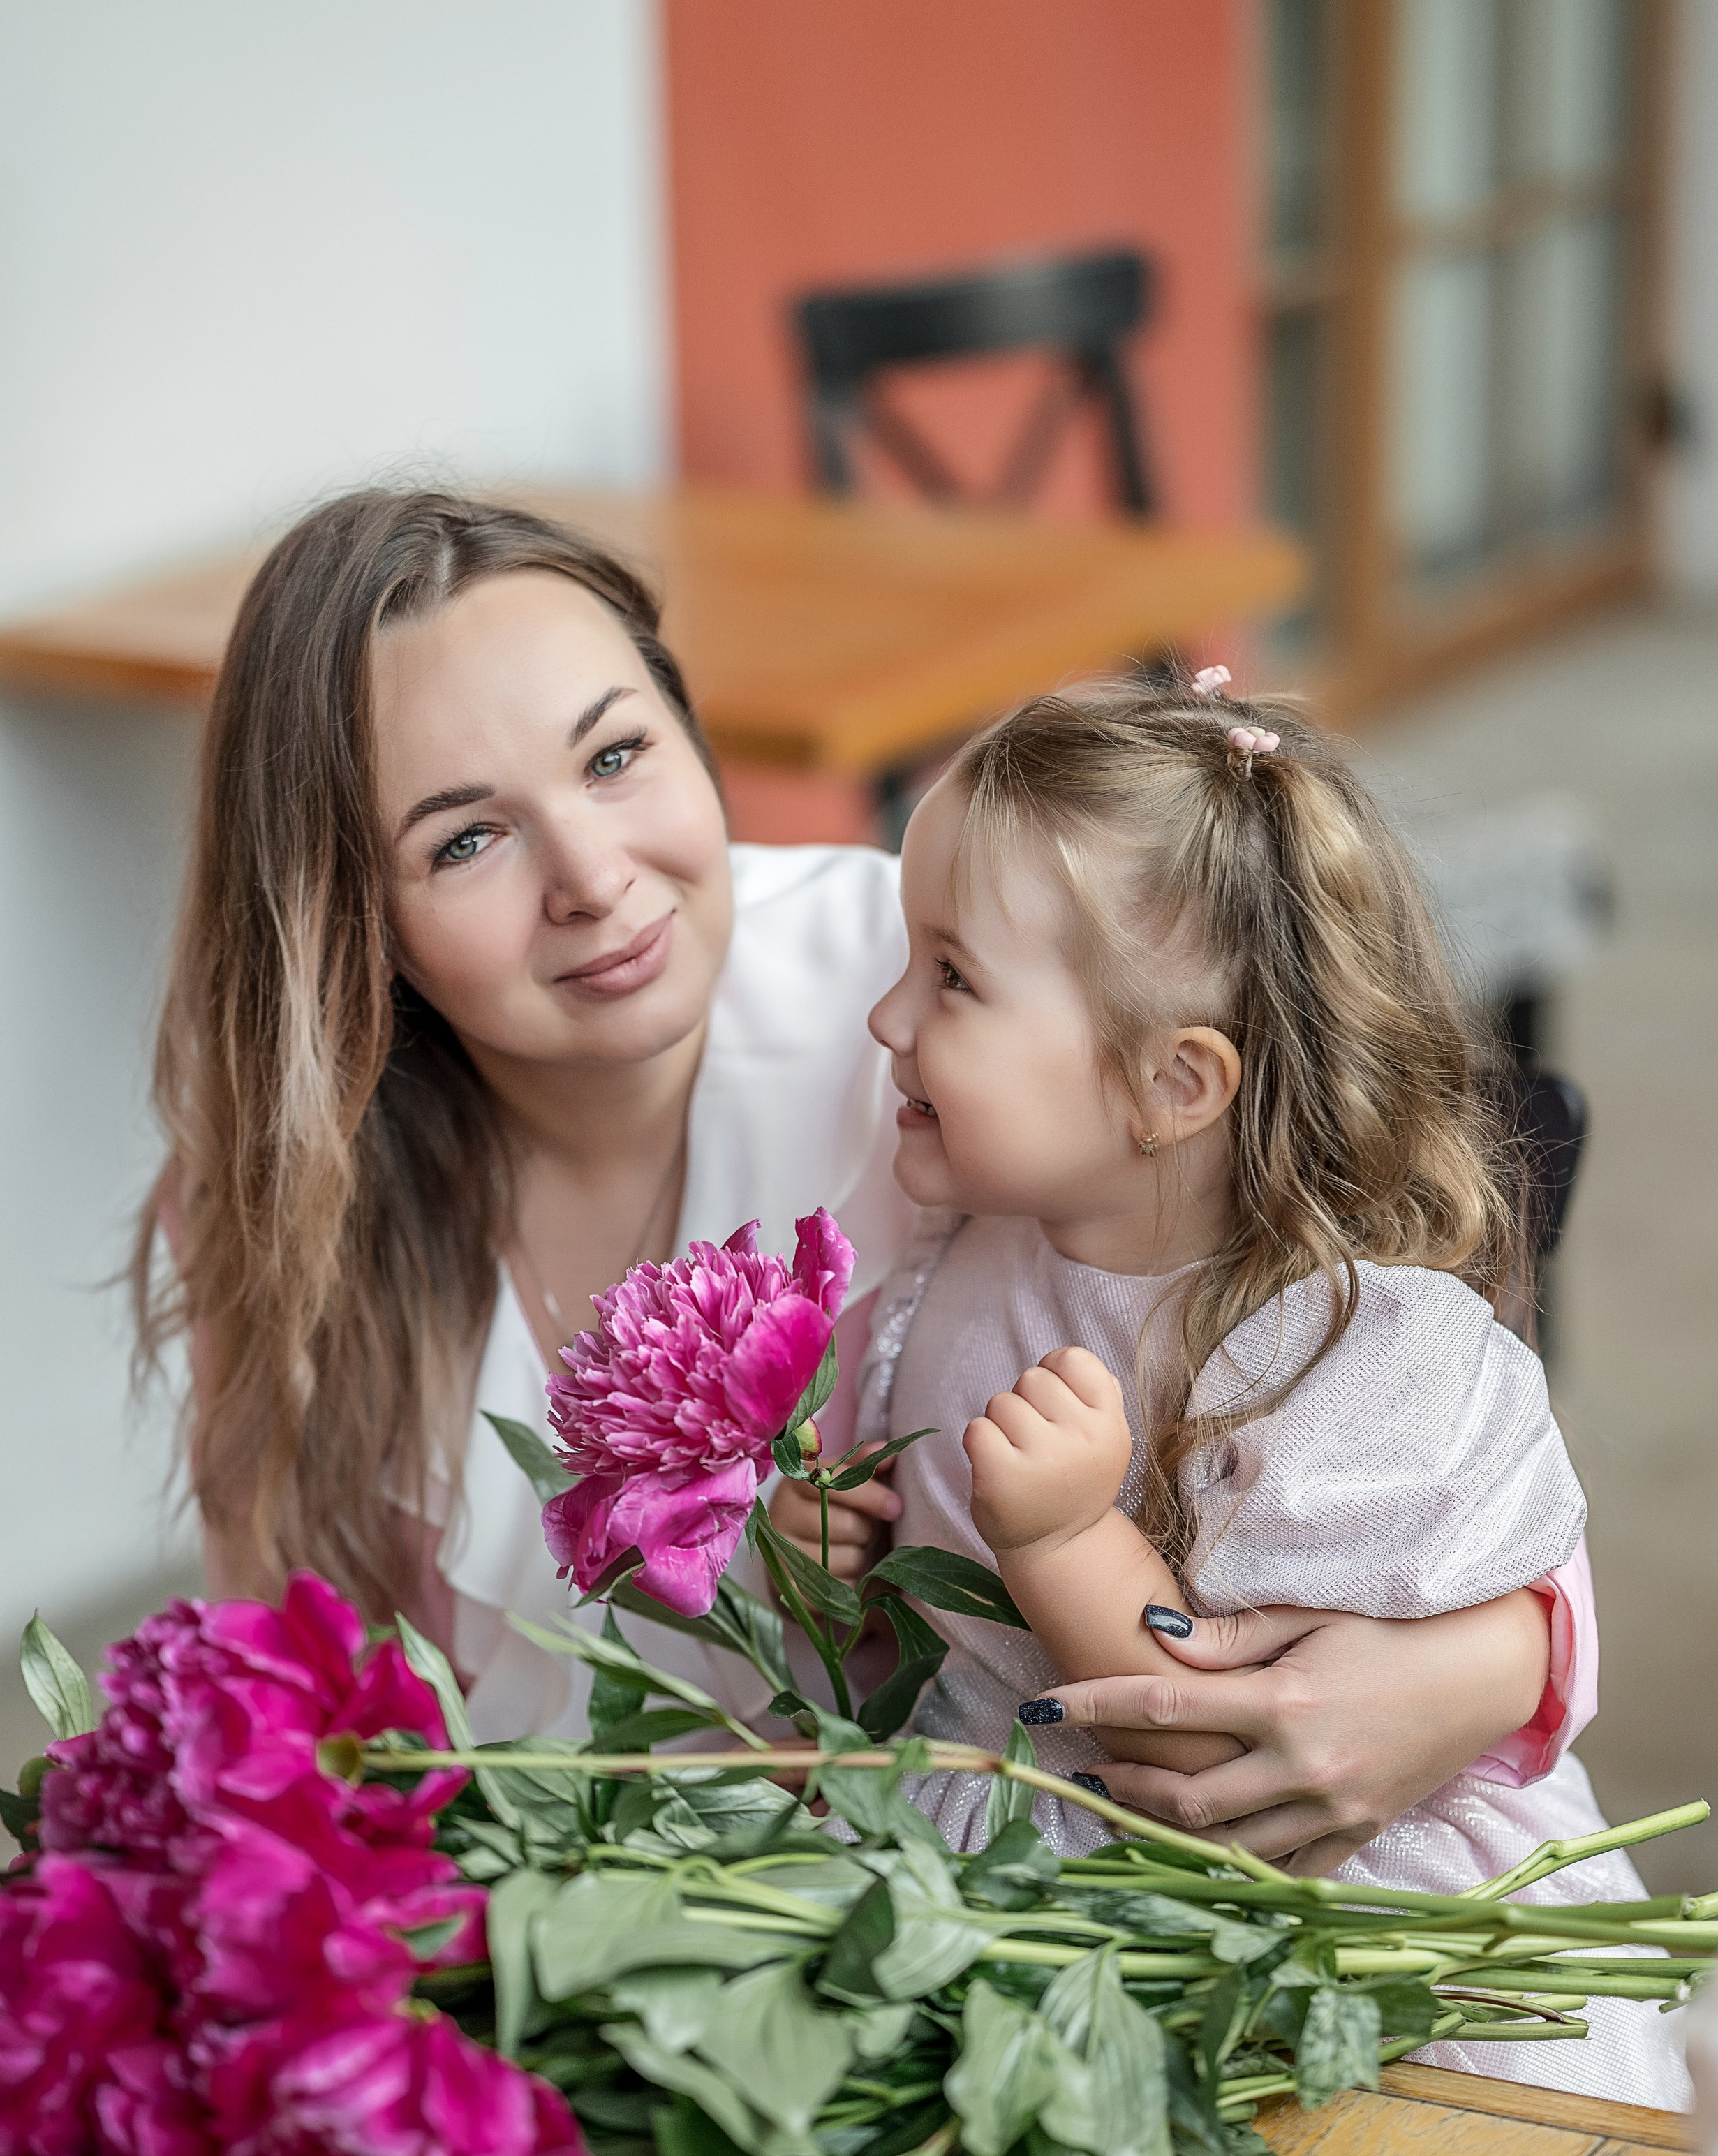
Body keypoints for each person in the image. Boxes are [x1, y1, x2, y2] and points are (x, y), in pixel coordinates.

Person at [135, 485, 1562, 1866]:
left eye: (616, 755)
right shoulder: (285, 1198)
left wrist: (1497, 1660)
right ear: (351, 920)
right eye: (465, 838)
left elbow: (1335, 1362)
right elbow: (291, 1695)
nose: (591, 874)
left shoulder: (954, 1011)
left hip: (968, 1872)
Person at [776, 672, 1680, 2107]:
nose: (886, 1018)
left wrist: (1068, 1541)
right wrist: (828, 1561)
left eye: (949, 977)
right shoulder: (943, 1272)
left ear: (1171, 1085)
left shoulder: (1351, 1358)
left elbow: (1219, 1767)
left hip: (1324, 1956)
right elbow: (919, 1653)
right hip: (1019, 1902)